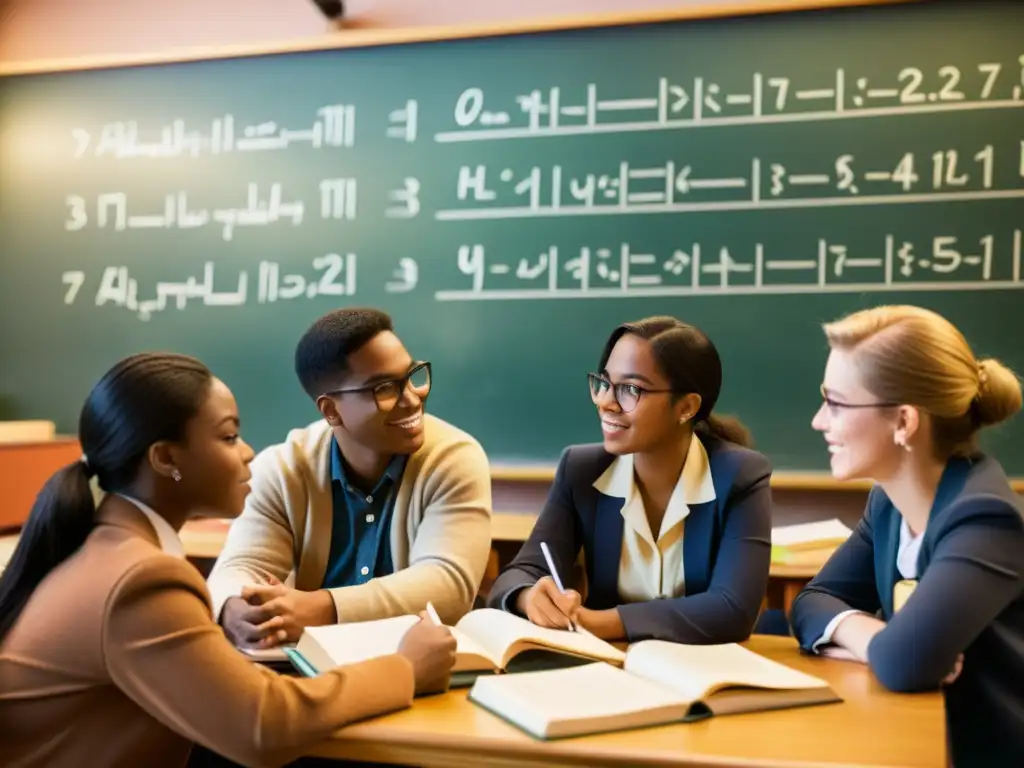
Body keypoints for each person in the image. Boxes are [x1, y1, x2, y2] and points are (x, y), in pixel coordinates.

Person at [0, 352, 458, 768]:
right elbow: (263, 725)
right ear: (165, 458)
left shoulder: (109, 548)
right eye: (229, 436)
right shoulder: (140, 581)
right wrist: (406, 669)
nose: (247, 452)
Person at [788, 305, 1024, 766]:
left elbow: (904, 664)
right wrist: (878, 639)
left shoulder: (986, 518)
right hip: (913, 732)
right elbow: (811, 601)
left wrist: (880, 647)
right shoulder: (888, 503)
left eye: (835, 403)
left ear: (904, 422)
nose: (819, 421)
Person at [208, 308, 492, 649]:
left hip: (424, 666)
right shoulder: (282, 468)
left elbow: (447, 587)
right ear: (331, 410)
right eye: (385, 388)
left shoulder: (453, 458)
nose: (412, 398)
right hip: (315, 672)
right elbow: (239, 567)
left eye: (412, 375)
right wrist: (234, 608)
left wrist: (319, 608)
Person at [488, 316, 773, 644]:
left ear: (686, 407)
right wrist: (528, 597)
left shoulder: (739, 477)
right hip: (609, 672)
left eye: (631, 390)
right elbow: (517, 575)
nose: (606, 402)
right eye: (604, 383)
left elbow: (732, 610)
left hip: (703, 674)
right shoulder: (581, 470)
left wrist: (599, 622)